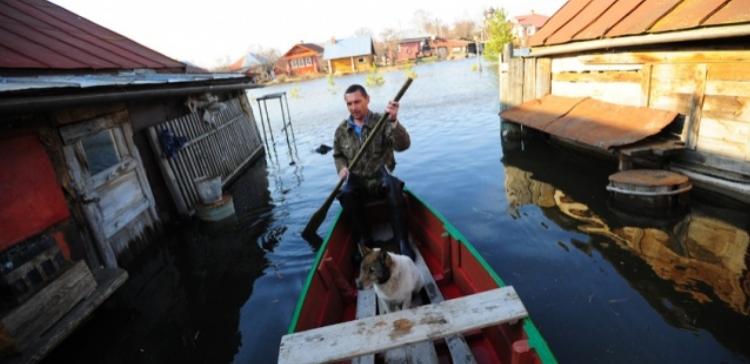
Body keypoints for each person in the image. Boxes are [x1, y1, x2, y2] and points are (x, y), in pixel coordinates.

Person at [333, 84, 415, 262]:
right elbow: (338, 155)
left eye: (357, 102)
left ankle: (402, 241)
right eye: (349, 104)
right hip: (357, 181)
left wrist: (394, 121)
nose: (354, 107)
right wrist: (341, 169)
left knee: (393, 186)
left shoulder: (382, 121)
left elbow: (403, 146)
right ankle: (365, 241)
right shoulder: (341, 131)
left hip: (380, 177)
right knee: (345, 194)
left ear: (367, 99)